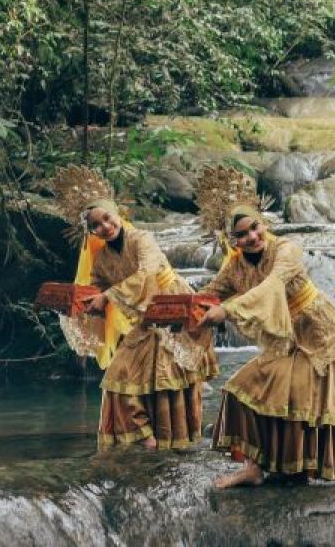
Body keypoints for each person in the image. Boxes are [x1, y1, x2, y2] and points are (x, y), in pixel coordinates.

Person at [194, 165, 335, 488]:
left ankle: (298, 469)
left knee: (297, 398)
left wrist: (226, 311)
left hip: (317, 335)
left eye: (254, 228)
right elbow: (207, 295)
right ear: (231, 240)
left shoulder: (287, 249)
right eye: (241, 235)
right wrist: (174, 312)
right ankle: (253, 469)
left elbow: (272, 286)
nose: (251, 237)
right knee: (241, 390)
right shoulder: (234, 267)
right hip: (282, 337)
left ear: (264, 222)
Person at [51, 165, 217, 451]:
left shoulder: (142, 238)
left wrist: (109, 295)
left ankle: (171, 438)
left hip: (171, 308)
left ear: (118, 214)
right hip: (142, 315)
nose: (105, 226)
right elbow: (97, 288)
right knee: (119, 374)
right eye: (96, 225)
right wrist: (80, 304)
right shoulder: (101, 258)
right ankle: (147, 436)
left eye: (107, 218)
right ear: (91, 232)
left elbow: (148, 271)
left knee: (170, 374)